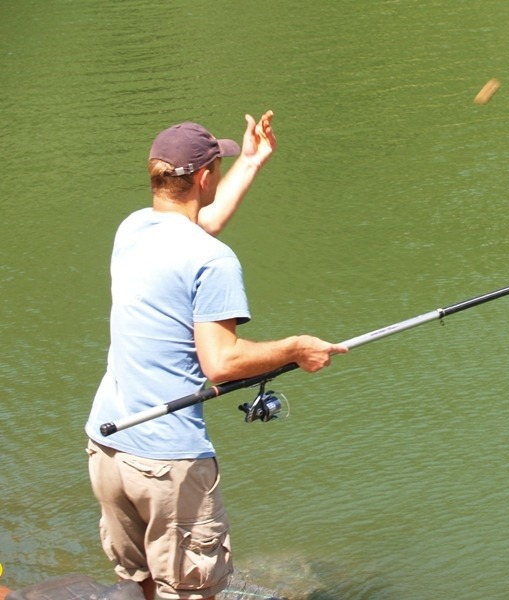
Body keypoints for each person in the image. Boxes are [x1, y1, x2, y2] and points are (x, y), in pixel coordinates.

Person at [85, 111, 347, 600]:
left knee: (139, 582)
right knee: (190, 591)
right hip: (169, 462)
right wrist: (294, 348)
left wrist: (250, 162)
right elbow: (221, 363)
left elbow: (201, 225)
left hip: (108, 446)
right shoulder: (213, 260)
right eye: (220, 165)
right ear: (205, 177)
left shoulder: (134, 228)